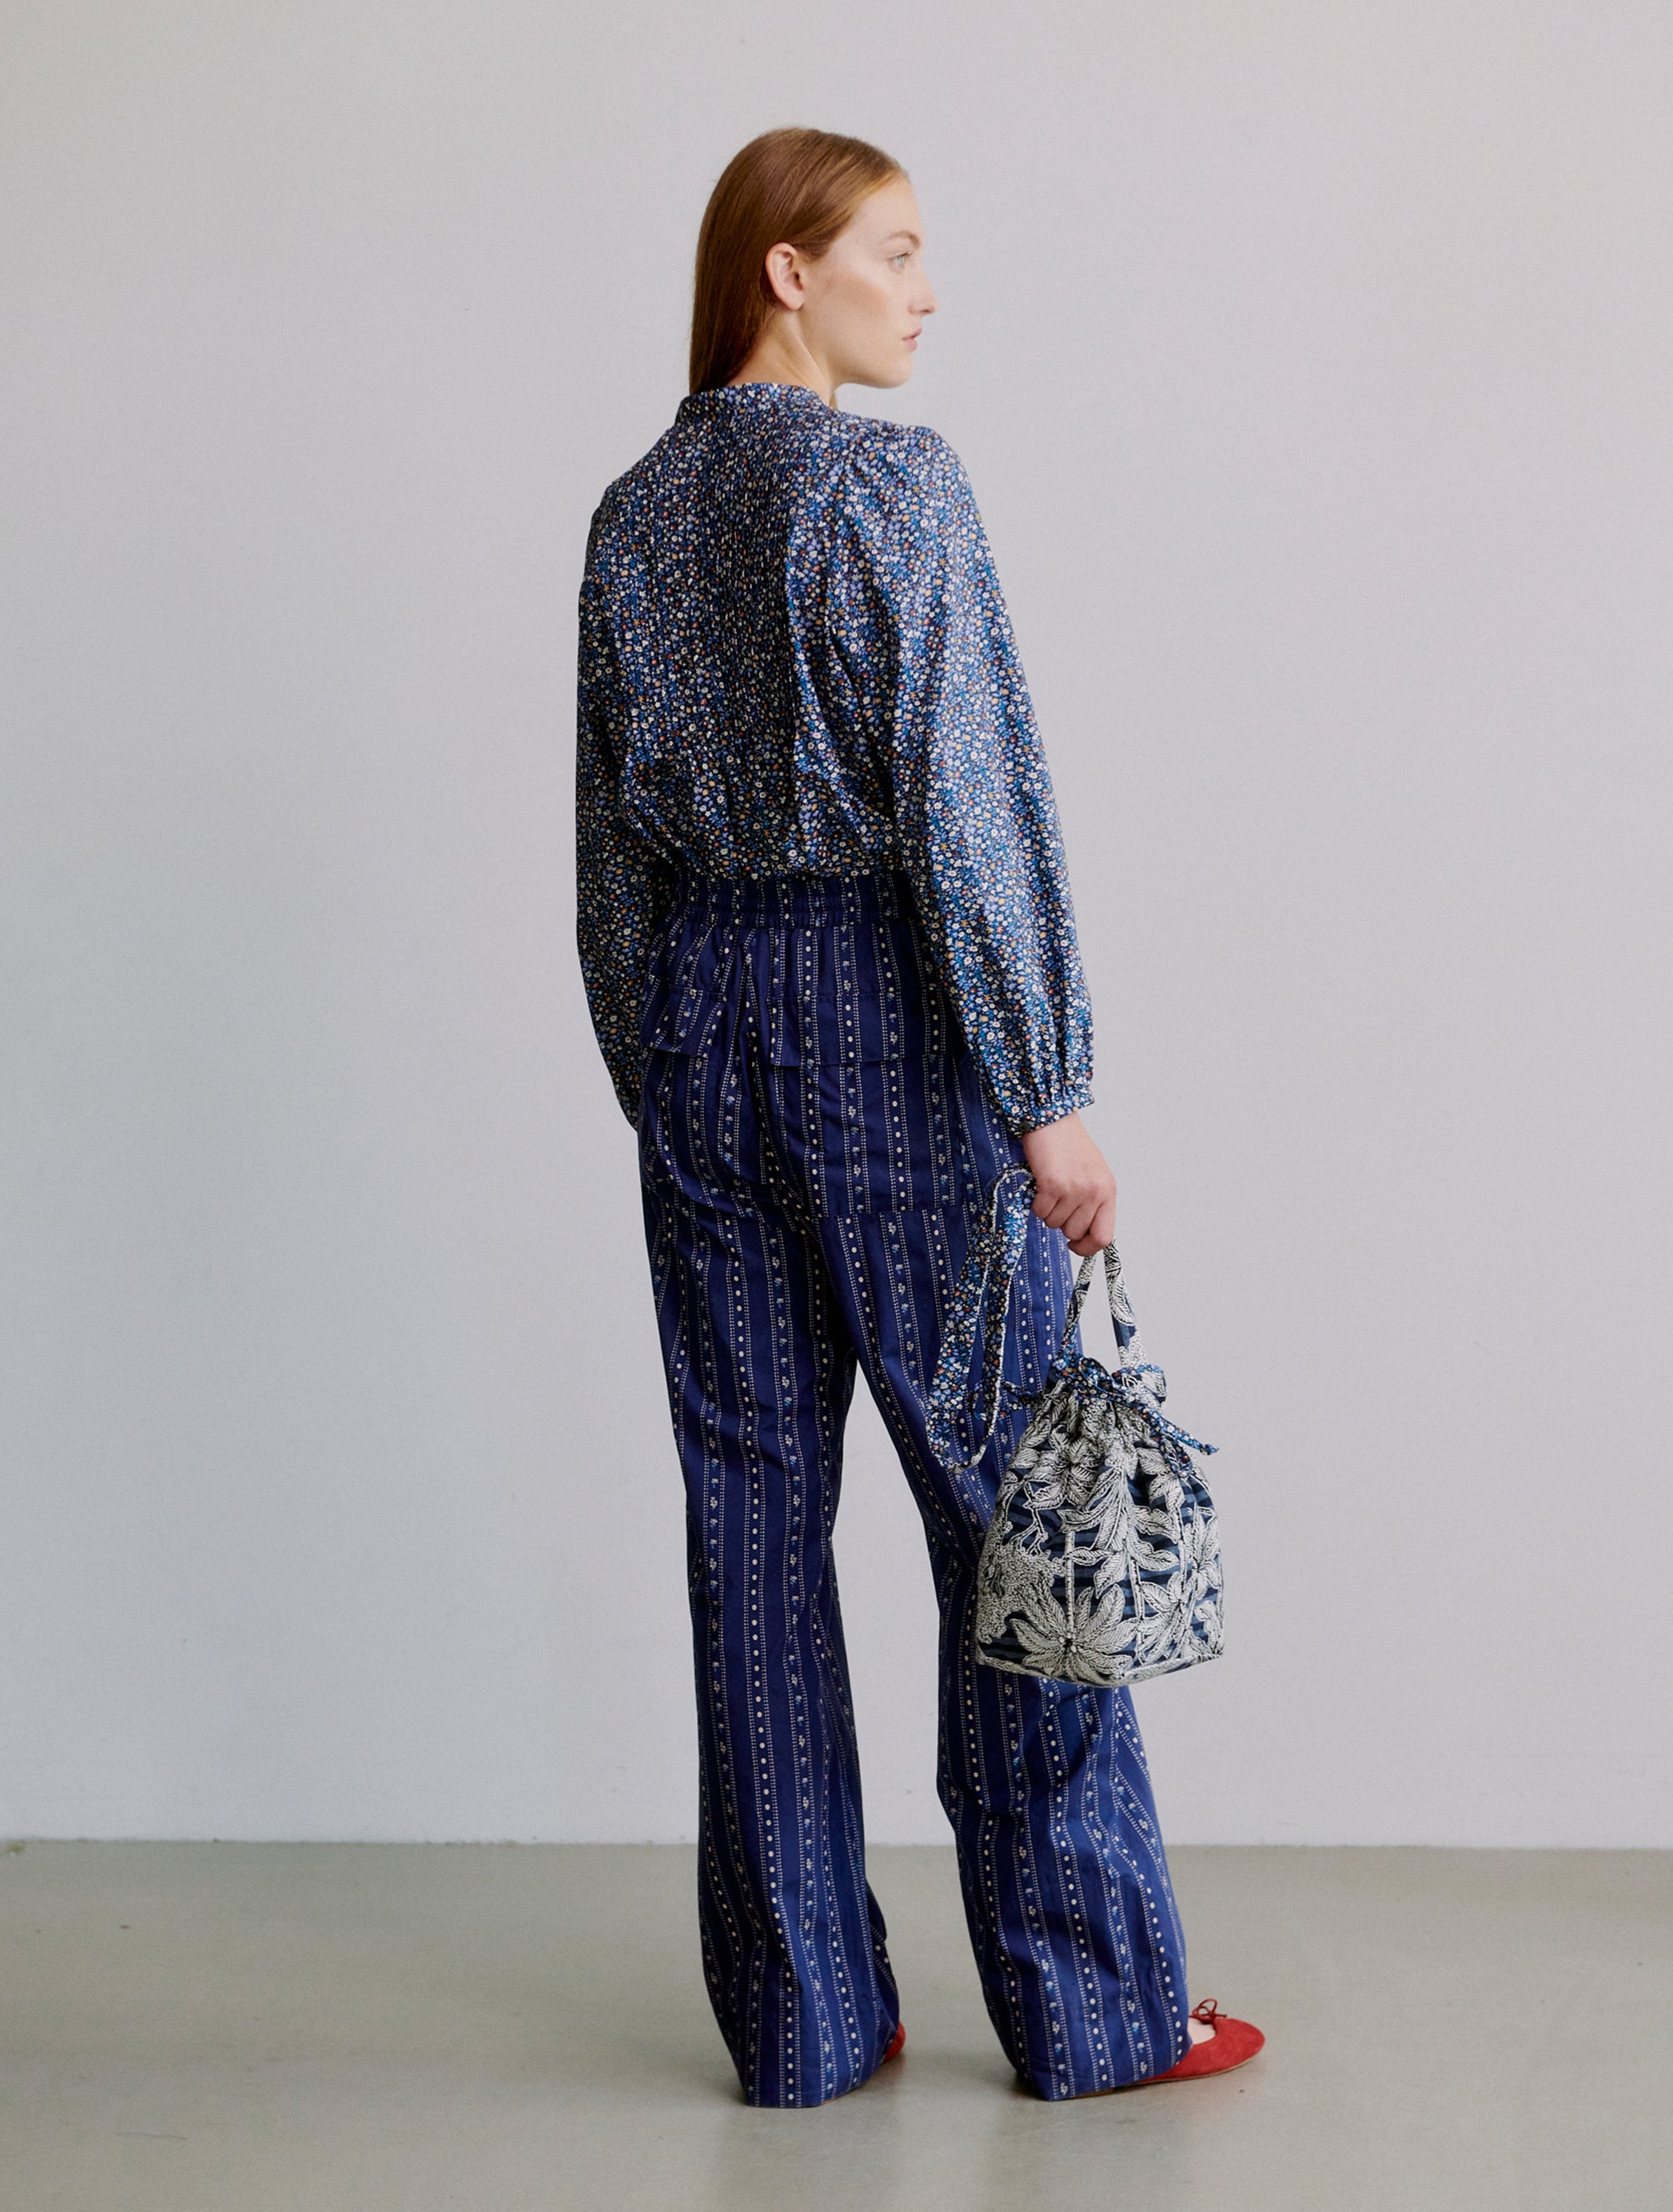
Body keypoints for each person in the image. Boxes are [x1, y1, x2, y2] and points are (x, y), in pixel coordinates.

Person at [574, 125, 1263, 2108]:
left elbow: (612, 844)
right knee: (1005, 1507)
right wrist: (1043, 1084)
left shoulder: (629, 517)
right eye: (894, 247)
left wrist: (668, 1066)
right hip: (888, 1009)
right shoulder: (894, 485)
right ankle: (1096, 2009)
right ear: (784, 271)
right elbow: (968, 799)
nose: (927, 288)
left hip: (702, 1015)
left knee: (752, 1526)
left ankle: (800, 2021)